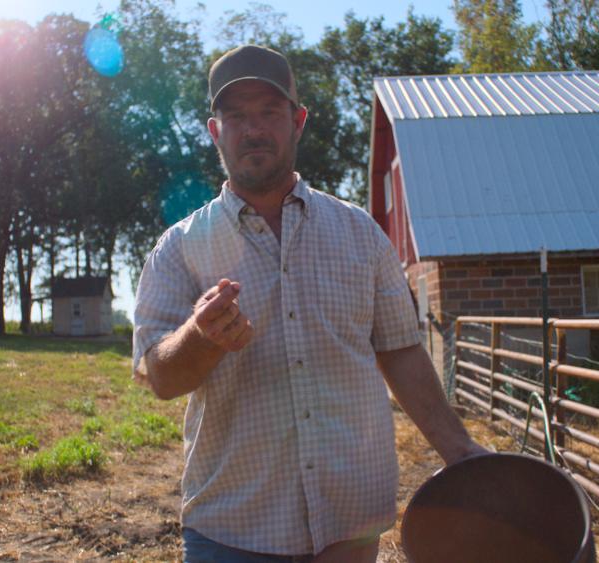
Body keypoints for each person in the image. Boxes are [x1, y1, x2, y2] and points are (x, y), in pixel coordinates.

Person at [133, 44, 488, 563]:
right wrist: (201, 338)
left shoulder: (360, 234)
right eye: (236, 116)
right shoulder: (181, 246)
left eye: (269, 112)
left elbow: (402, 351)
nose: (253, 129)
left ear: (298, 121)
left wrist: (463, 454)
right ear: (215, 131)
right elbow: (159, 376)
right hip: (232, 530)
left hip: (350, 528)